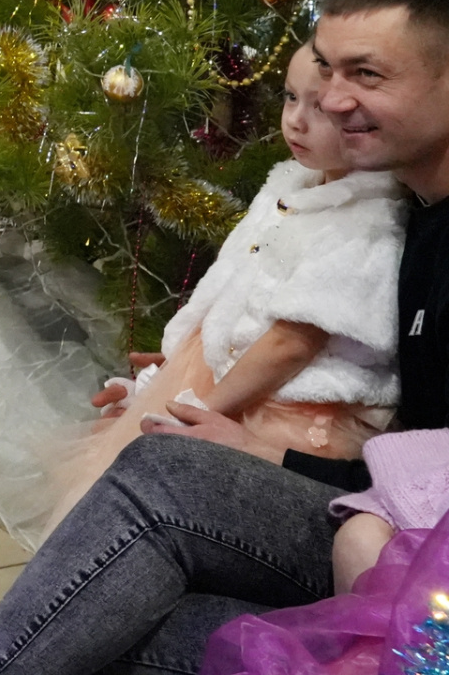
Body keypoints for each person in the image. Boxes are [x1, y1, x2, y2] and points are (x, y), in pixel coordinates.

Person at [0, 0, 449, 675]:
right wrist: (189, 371)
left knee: (164, 479)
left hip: (418, 569)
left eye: (367, 75)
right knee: (102, 603)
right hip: (376, 523)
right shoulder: (407, 206)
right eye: (325, 69)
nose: (330, 101)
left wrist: (267, 454)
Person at [44, 42, 403, 531]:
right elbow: (231, 282)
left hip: (286, 403)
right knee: (108, 501)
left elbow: (292, 343)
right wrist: (169, 370)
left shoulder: (368, 220)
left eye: (318, 108)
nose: (295, 121)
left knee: (179, 512)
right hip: (226, 368)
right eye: (289, 97)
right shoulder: (288, 184)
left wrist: (199, 410)